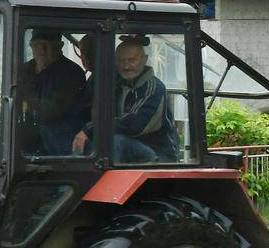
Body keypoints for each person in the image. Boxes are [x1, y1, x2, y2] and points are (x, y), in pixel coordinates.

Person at [71, 37, 178, 162]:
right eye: (121, 61)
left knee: (115, 141)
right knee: (84, 140)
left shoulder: (154, 88)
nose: (126, 66)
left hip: (157, 154)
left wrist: (90, 129)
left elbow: (135, 125)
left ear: (144, 60)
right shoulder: (116, 84)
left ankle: (106, 179)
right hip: (129, 147)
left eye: (131, 60)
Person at [17, 28, 86, 156]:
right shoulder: (24, 71)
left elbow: (56, 108)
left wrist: (26, 105)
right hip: (30, 135)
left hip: (61, 139)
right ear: (31, 46)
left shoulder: (71, 73)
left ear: (60, 46)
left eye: (47, 45)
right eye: (38, 45)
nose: (42, 50)